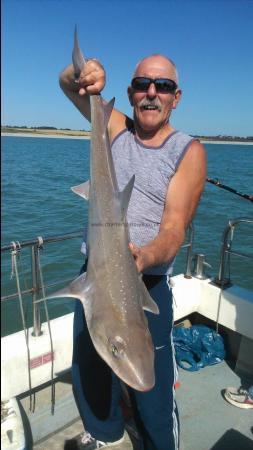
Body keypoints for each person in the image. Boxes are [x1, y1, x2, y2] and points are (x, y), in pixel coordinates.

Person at [60, 53, 206, 450]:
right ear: (130, 93)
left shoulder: (188, 152)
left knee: (152, 389)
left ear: (177, 98)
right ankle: (104, 432)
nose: (152, 93)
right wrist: (81, 73)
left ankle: (160, 444)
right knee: (90, 365)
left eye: (163, 87)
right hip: (95, 273)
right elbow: (67, 84)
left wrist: (142, 257)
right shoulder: (115, 125)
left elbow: (174, 230)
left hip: (148, 279)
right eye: (143, 84)